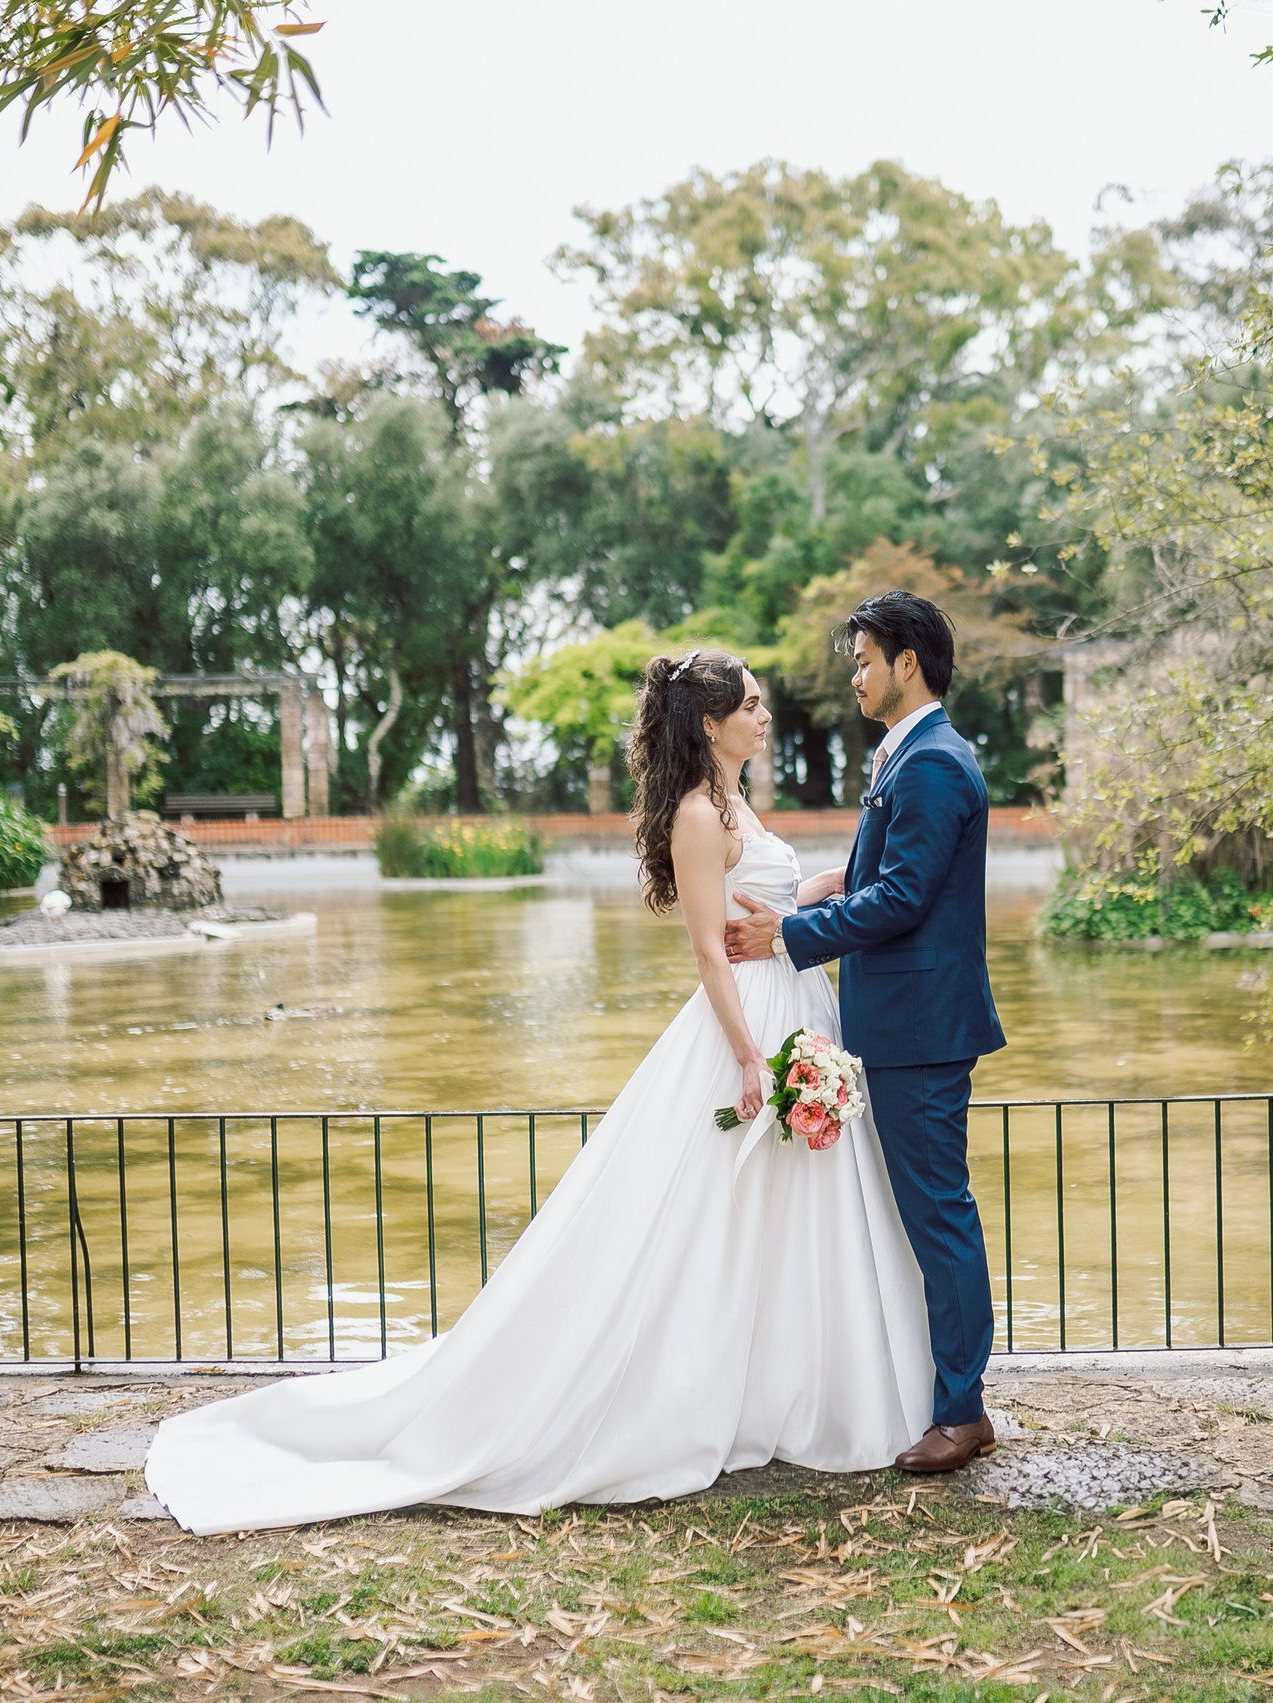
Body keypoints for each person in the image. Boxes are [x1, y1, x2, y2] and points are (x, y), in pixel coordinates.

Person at [142, 653, 933, 1533]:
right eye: (749, 704)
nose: (764, 713)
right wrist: (750, 1058)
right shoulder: (700, 813)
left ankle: (794, 1390)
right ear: (709, 723)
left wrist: (822, 891)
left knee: (789, 1215)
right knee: (708, 1217)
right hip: (747, 1026)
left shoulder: (741, 800)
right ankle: (684, 1395)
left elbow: (770, 902)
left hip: (798, 1008)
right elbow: (711, 950)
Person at [724, 590, 1007, 1474]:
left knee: (940, 1215)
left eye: (862, 659)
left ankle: (963, 1412)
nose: (854, 674)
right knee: (923, 1212)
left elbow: (905, 897)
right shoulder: (911, 755)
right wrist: (812, 892)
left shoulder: (932, 762)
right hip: (902, 1022)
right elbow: (879, 868)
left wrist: (787, 937)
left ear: (906, 663)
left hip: (922, 1029)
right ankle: (937, 1393)